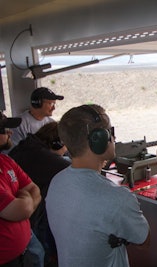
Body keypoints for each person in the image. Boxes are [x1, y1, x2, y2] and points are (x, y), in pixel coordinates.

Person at [46, 104, 150, 267]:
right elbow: (144, 241)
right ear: (99, 139)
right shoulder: (117, 197)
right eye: (110, 133)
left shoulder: (56, 181)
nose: (113, 139)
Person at [9, 121, 71, 267]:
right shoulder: (44, 158)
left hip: (18, 213)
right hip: (25, 218)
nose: (66, 150)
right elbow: (73, 170)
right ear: (57, 142)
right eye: (66, 146)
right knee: (38, 253)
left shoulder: (28, 147)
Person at [0, 111, 42, 266]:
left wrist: (24, 202)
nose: (10, 132)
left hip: (22, 252)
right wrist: (25, 197)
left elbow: (35, 190)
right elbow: (20, 210)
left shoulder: (5, 160)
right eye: (4, 130)